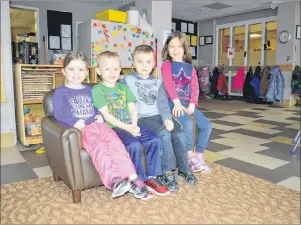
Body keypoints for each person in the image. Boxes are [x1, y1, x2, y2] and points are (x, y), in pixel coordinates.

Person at [52, 51, 152, 200]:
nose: (76, 73)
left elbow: (97, 105)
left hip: (99, 124)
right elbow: (58, 112)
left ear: (86, 72)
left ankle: (132, 178)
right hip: (82, 129)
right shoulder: (60, 92)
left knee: (116, 145)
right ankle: (114, 181)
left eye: (80, 70)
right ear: (63, 71)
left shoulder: (89, 90)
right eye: (71, 69)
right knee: (100, 147)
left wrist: (98, 114)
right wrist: (73, 122)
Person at [91, 51, 170, 196]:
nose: (112, 72)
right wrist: (128, 128)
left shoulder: (124, 87)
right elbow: (107, 116)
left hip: (130, 124)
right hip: (113, 128)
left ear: (120, 70)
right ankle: (139, 179)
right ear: (98, 71)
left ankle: (152, 178)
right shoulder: (97, 89)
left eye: (115, 69)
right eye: (107, 69)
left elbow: (133, 109)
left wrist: (134, 125)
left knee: (154, 140)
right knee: (133, 144)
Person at [121, 45, 198, 192]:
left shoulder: (157, 83)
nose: (144, 66)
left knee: (179, 133)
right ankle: (166, 171)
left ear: (154, 64)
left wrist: (167, 118)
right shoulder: (126, 80)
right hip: (142, 118)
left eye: (148, 62)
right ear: (133, 63)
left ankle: (183, 169)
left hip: (159, 115)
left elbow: (163, 104)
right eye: (140, 61)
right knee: (164, 133)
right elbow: (121, 101)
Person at [161, 31, 212, 173]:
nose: (175, 50)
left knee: (206, 126)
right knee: (188, 123)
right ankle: (189, 157)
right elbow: (168, 85)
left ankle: (199, 156)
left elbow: (195, 87)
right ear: (167, 48)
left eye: (179, 46)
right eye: (171, 46)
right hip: (172, 102)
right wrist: (177, 103)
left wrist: (192, 104)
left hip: (187, 103)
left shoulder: (190, 68)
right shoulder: (166, 65)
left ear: (184, 49)